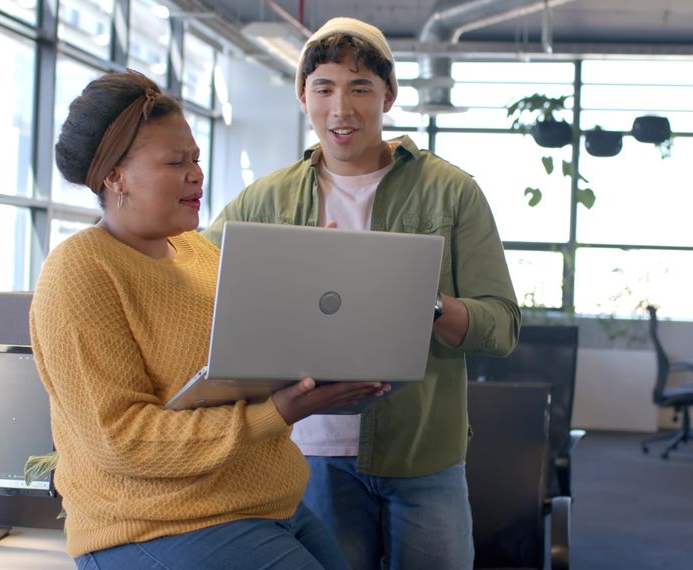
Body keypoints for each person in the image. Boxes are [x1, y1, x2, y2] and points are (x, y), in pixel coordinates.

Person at [30, 70, 384, 569]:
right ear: (115, 176)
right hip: (156, 523)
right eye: (176, 162)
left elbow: (252, 364)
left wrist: (317, 291)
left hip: (264, 503)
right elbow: (122, 439)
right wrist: (278, 411)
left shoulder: (200, 253)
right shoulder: (81, 270)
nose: (196, 174)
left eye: (195, 159)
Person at [202, 17, 521, 570]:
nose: (341, 110)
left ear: (388, 96)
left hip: (422, 453)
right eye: (323, 88)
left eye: (360, 89)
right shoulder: (265, 198)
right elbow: (194, 278)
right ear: (303, 96)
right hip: (307, 452)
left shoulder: (452, 191)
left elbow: (502, 328)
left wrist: (424, 301)